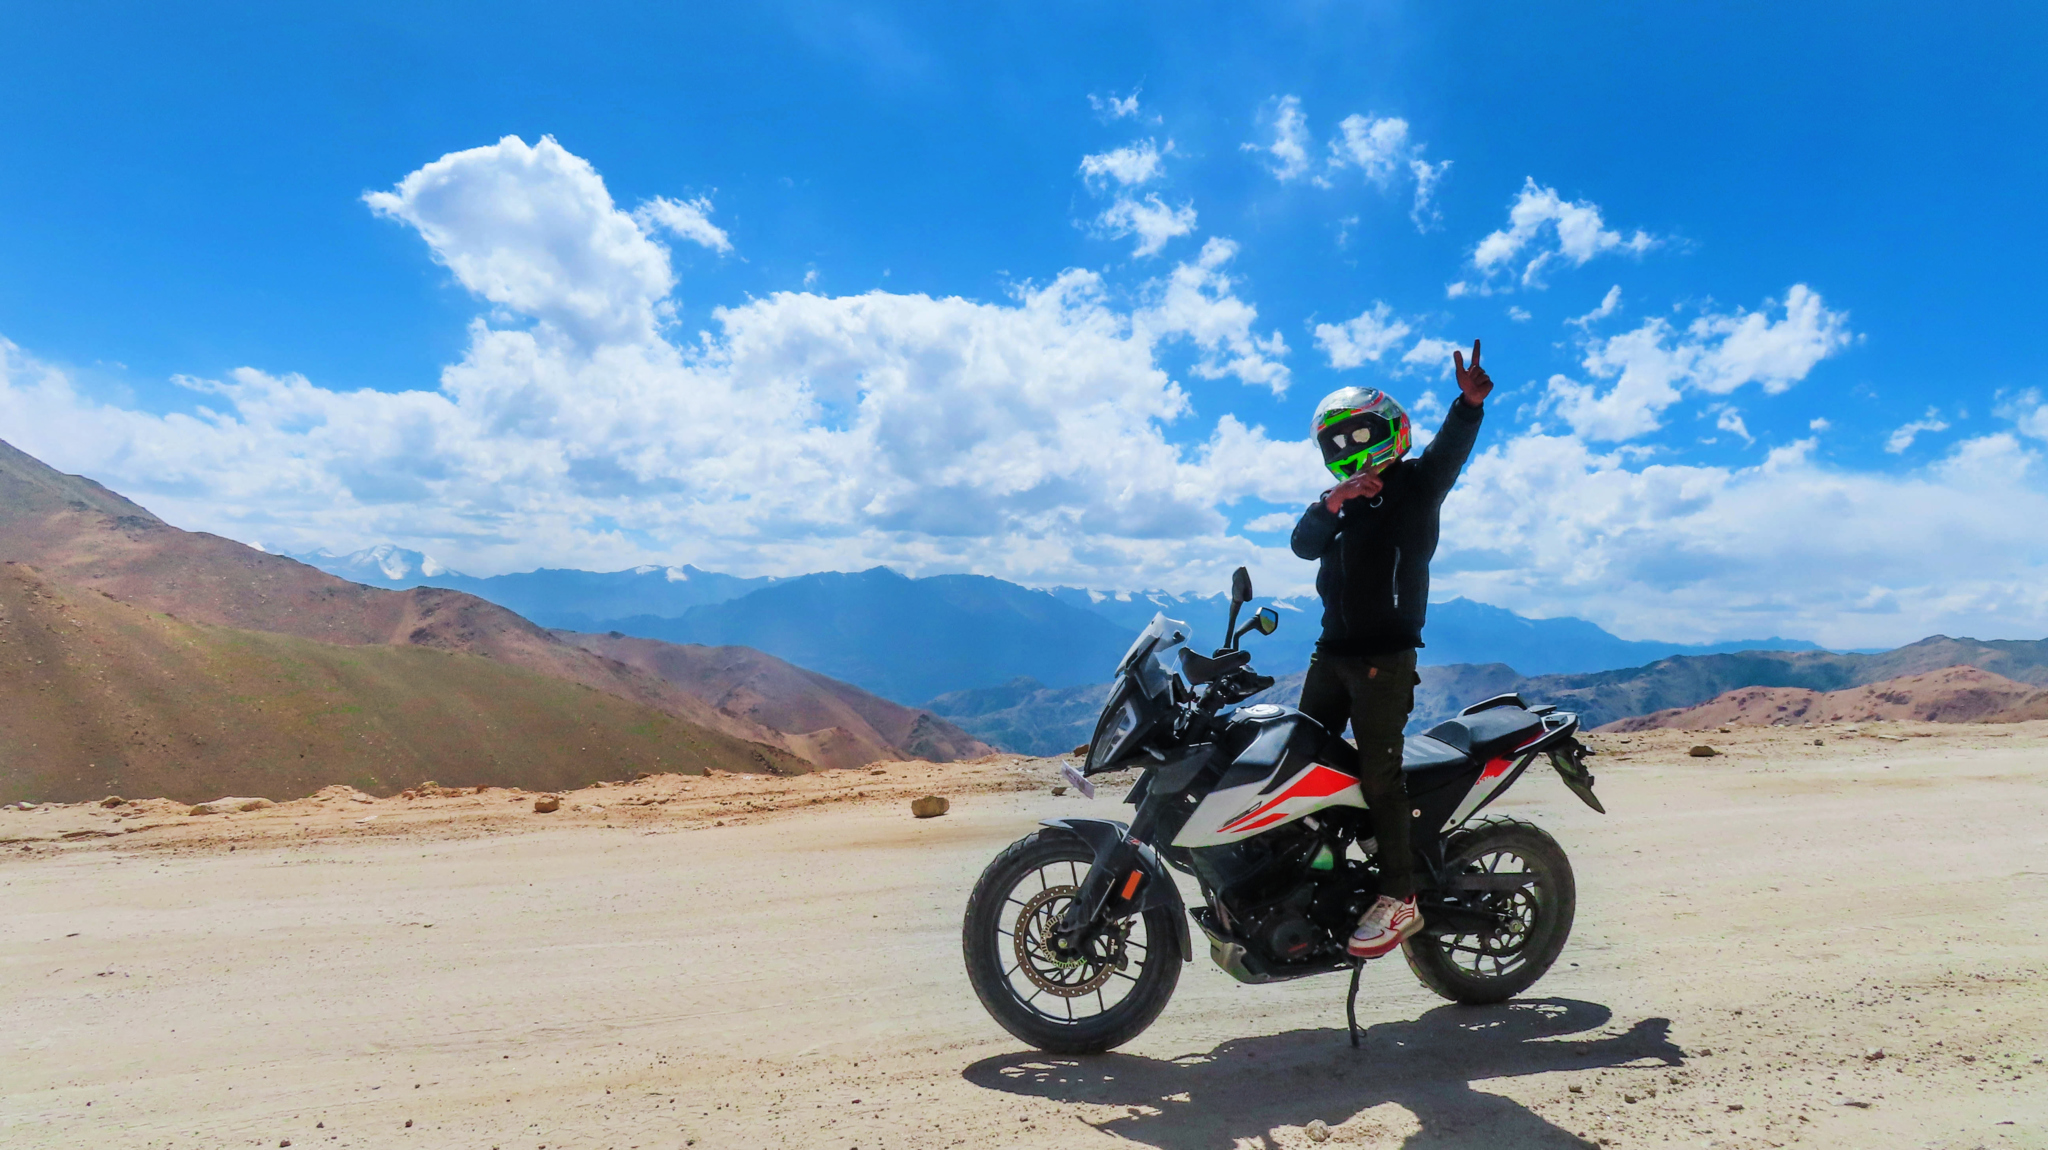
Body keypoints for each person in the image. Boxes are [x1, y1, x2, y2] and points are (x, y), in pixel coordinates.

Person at [1290, 339, 1492, 959]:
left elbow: (1449, 452)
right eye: (1339, 441)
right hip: (1331, 654)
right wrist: (1335, 501)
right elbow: (1302, 544)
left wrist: (1467, 405)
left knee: (1379, 774)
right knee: (1301, 758)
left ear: (1389, 431)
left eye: (1360, 435)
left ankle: (1400, 895)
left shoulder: (1416, 486)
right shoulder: (1340, 505)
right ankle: (1321, 862)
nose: (1350, 448)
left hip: (1385, 659)